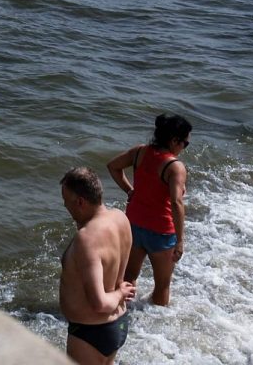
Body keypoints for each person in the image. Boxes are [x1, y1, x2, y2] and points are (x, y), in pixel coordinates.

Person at [108, 113, 192, 305]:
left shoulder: (139, 152)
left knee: (128, 277)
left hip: (134, 226)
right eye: (184, 144)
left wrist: (130, 191)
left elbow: (113, 166)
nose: (184, 148)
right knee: (162, 286)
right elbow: (176, 203)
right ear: (173, 141)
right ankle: (155, 331)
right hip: (161, 233)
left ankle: (120, 314)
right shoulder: (174, 167)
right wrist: (179, 241)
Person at [58, 167, 136, 363]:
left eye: (66, 201)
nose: (64, 205)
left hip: (91, 332)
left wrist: (119, 294)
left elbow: (99, 303)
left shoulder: (86, 239)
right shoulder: (120, 218)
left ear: (80, 202)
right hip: (117, 323)